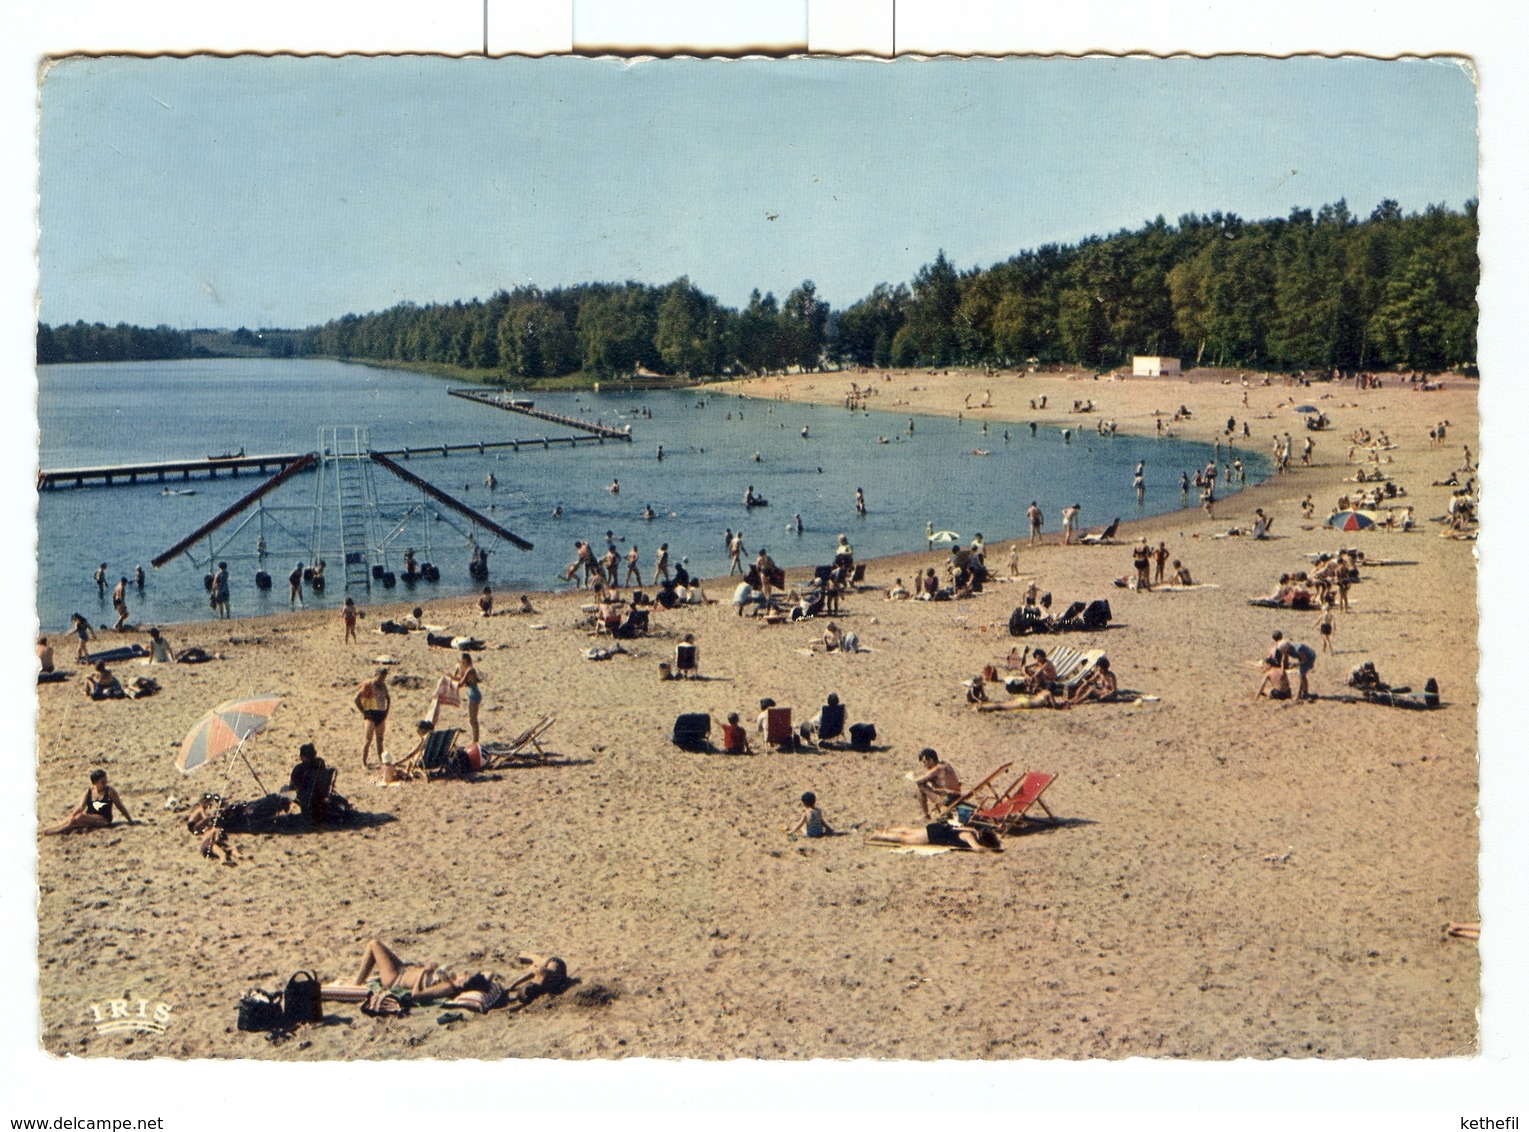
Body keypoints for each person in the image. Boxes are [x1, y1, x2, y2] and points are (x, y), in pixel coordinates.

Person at [344, 939, 469, 1001]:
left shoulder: (448, 987)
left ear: (463, 984)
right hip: (402, 971)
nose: (464, 973)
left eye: (466, 976)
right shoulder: (450, 981)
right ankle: (358, 980)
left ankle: (356, 984)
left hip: (395, 979)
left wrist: (424, 972)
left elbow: (417, 994)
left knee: (374, 944)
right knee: (380, 947)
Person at [43, 768, 134, 835]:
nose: (105, 783)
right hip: (90, 817)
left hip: (103, 819)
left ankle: (58, 831)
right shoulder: (89, 791)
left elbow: (120, 806)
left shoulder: (110, 791)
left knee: (79, 817)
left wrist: (129, 819)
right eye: (102, 782)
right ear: (95, 783)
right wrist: (72, 815)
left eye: (106, 781)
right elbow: (81, 807)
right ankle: (49, 829)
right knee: (72, 818)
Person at [868, 822, 1000, 852]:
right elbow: (977, 848)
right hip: (935, 835)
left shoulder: (971, 829)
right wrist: (987, 850)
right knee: (906, 839)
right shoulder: (969, 836)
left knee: (910, 831)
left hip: (938, 828)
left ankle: (886, 830)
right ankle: (880, 835)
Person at [355, 667, 391, 768]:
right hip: (370, 714)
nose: (382, 680)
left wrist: (386, 712)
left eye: (384, 678)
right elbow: (356, 698)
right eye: (380, 677)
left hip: (380, 714)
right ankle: (364, 763)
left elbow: (388, 698)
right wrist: (363, 711)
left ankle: (382, 761)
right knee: (368, 739)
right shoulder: (368, 685)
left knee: (380, 740)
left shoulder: (383, 686)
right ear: (376, 675)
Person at [286, 742, 330, 820]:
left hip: (306, 798)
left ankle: (285, 813)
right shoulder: (321, 766)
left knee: (284, 789)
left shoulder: (299, 769)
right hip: (319, 797)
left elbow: (292, 787)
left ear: (303, 756)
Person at [912, 749, 961, 819]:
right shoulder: (944, 764)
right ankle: (926, 814)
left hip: (948, 798)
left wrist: (912, 777)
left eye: (924, 762)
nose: (923, 765)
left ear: (931, 760)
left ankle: (926, 815)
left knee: (921, 787)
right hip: (955, 793)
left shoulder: (937, 769)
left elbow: (919, 781)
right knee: (919, 789)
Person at [452, 652, 482, 743]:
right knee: (472, 720)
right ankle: (475, 740)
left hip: (474, 695)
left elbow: (461, 683)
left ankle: (476, 741)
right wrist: (457, 670)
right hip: (473, 694)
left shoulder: (470, 670)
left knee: (473, 720)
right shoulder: (468, 670)